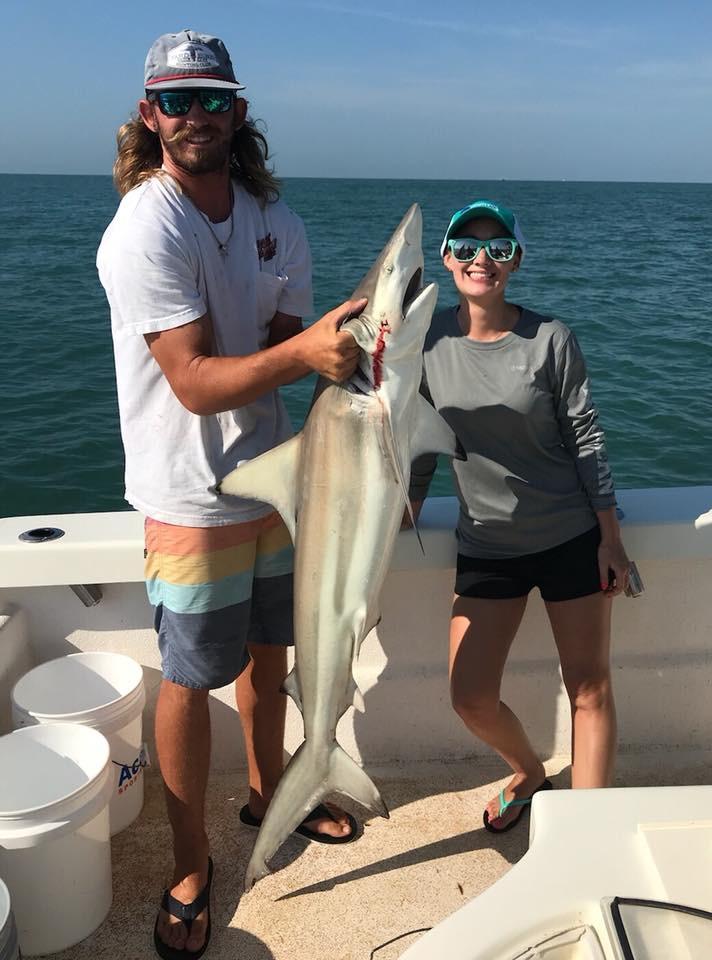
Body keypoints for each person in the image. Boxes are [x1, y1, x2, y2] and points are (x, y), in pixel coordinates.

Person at [97, 29, 365, 959]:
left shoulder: (273, 217)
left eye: (213, 99)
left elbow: (289, 333)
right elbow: (198, 380)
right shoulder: (146, 227)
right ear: (150, 115)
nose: (196, 115)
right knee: (187, 677)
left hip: (275, 478)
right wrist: (305, 351)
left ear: (238, 111)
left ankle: (269, 793)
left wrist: (350, 342)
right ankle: (189, 863)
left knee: (269, 651)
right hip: (187, 494)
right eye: (177, 100)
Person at [409, 200, 630, 835]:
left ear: (517, 260)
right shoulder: (428, 343)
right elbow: (425, 437)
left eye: (499, 248)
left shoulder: (551, 339)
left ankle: (589, 841)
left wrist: (610, 538)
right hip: (487, 544)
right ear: (447, 259)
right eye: (469, 247)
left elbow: (586, 438)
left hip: (570, 538)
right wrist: (411, 501)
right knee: (469, 694)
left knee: (589, 689)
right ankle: (530, 771)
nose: (484, 259)